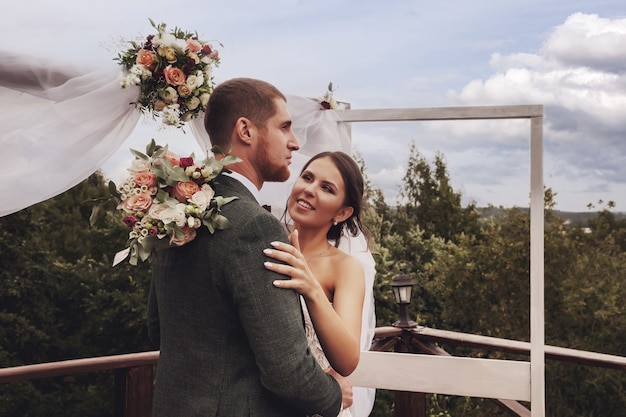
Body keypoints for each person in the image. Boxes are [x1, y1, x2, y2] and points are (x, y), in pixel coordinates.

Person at [147, 78, 346, 417]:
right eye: (284, 127)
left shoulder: (176, 212)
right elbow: (289, 374)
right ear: (246, 131)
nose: (295, 143)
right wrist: (334, 395)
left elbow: (156, 328)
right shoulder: (255, 227)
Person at [263, 151, 370, 416]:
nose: (309, 189)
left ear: (343, 212)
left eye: (326, 188)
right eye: (307, 177)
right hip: (263, 402)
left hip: (319, 407)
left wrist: (312, 289)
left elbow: (347, 360)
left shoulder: (345, 267)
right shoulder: (265, 248)